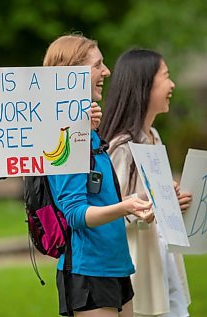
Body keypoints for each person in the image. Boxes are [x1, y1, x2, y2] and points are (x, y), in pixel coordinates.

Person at [43, 34, 152, 317]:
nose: (107, 72)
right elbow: (76, 214)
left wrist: (136, 203)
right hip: (87, 270)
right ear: (72, 74)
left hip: (115, 264)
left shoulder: (89, 133)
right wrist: (124, 207)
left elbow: (101, 198)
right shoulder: (62, 135)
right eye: (98, 65)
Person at [100, 48, 192, 317]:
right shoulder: (121, 148)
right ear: (145, 84)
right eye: (166, 76)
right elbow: (110, 213)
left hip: (165, 258)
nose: (172, 84)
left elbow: (153, 201)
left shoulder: (153, 135)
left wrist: (172, 202)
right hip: (139, 266)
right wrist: (148, 207)